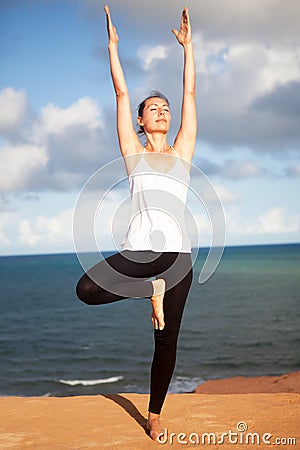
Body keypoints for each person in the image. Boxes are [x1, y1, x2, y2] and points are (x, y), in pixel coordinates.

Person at [76, 4, 197, 441]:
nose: (164, 111)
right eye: (155, 108)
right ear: (142, 123)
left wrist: (188, 48)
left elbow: (191, 97)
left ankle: (156, 413)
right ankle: (152, 289)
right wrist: (112, 47)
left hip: (178, 257)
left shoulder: (183, 152)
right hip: (141, 254)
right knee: (86, 290)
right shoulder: (134, 153)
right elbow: (121, 95)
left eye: (166, 108)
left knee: (166, 339)